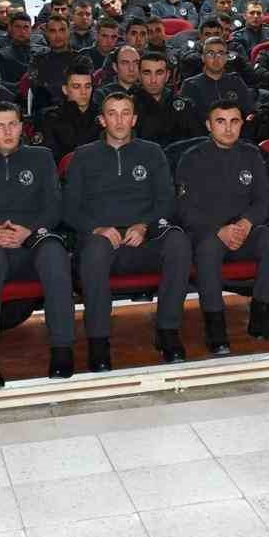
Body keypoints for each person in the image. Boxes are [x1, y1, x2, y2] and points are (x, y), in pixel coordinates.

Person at [66, 94, 191, 367]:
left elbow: (167, 201)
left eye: (125, 113)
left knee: (178, 242)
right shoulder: (83, 156)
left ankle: (167, 331)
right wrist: (96, 228)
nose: (119, 120)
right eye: (112, 113)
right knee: (95, 249)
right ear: (102, 120)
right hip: (102, 239)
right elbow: (69, 208)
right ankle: (99, 341)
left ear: (134, 119)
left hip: (144, 236)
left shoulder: (152, 152)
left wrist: (144, 225)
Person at [0, 102, 77, 390]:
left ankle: (62, 347)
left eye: (13, 124)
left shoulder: (41, 157)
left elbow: (55, 208)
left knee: (55, 254)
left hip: (31, 239)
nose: (7, 131)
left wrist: (30, 231)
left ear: (22, 127)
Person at [176, 102, 269, 356]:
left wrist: (246, 223)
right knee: (207, 249)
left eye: (234, 121)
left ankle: (261, 318)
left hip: (244, 231)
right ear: (208, 125)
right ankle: (215, 327)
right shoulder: (192, 158)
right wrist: (219, 229)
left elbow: (264, 199)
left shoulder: (251, 154)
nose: (228, 128)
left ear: (241, 123)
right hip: (209, 233)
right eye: (220, 121)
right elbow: (185, 209)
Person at [36, 62, 103, 161]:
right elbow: (47, 158)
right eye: (76, 87)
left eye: (87, 86)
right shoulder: (52, 118)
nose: (83, 92)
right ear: (65, 89)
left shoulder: (102, 114)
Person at [132, 51, 199, 147]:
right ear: (139, 75)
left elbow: (196, 142)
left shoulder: (185, 106)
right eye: (147, 73)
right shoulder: (129, 107)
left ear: (167, 76)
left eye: (159, 73)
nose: (153, 80)